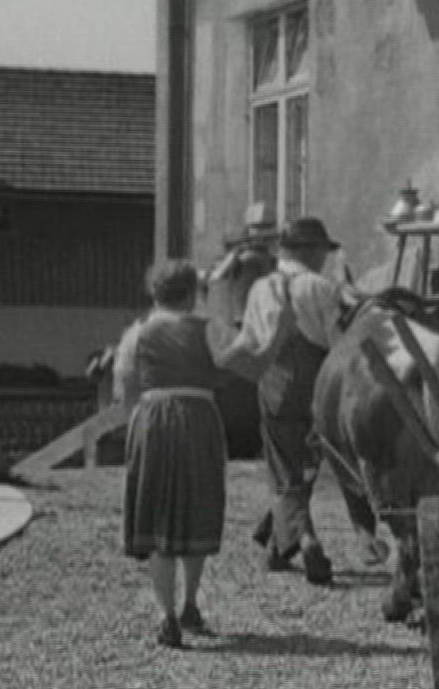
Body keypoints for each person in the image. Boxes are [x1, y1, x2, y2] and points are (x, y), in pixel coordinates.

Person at [231, 216, 385, 585]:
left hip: (275, 384)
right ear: (311, 252)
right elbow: (339, 345)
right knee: (335, 456)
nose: (324, 258)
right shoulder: (321, 287)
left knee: (287, 469)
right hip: (320, 383)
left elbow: (250, 342)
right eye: (322, 252)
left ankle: (298, 539)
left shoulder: (259, 289)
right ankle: (358, 533)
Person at [113, 259, 228, 648]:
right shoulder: (209, 329)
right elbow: (231, 361)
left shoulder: (137, 333)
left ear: (154, 293)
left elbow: (125, 385)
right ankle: (191, 602)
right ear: (191, 293)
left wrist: (137, 422)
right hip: (198, 416)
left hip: (153, 417)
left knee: (158, 510)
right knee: (196, 506)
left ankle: (167, 615)